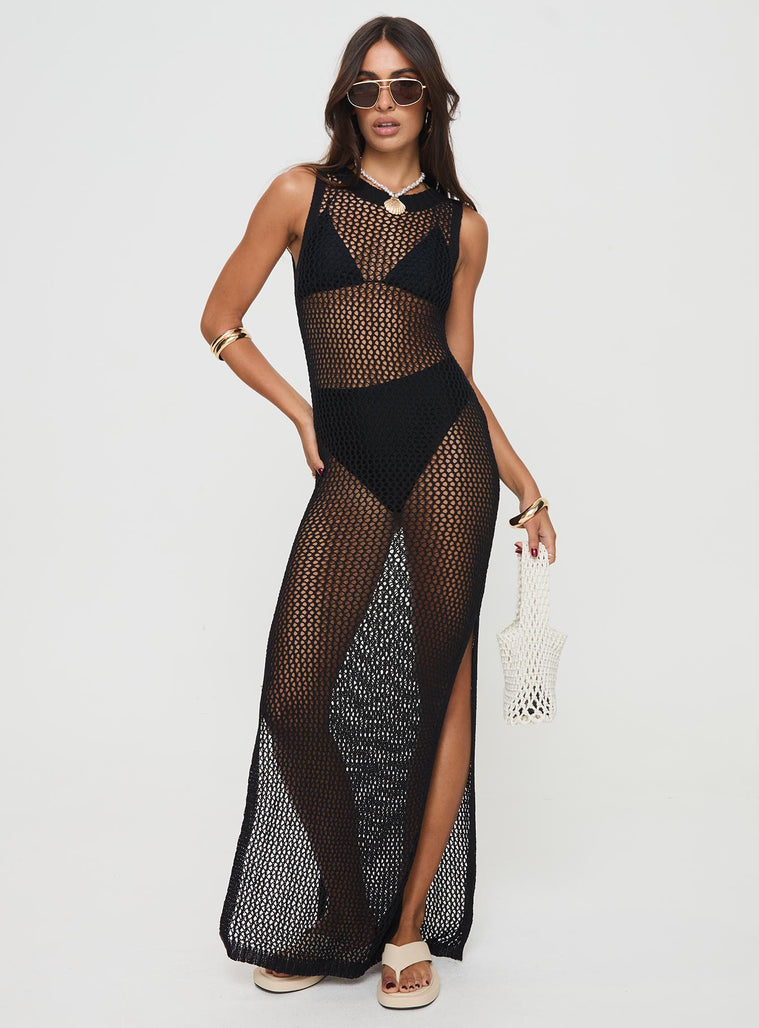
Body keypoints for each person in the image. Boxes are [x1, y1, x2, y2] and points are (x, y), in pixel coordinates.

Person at [200, 14, 557, 1011]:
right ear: (346, 101)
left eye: (405, 87)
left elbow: (458, 375)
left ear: (432, 102)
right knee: (294, 698)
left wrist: (526, 483)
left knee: (441, 690)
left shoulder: (462, 226)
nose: (387, 103)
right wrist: (299, 412)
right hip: (351, 466)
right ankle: (346, 912)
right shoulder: (299, 194)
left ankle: (406, 931)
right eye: (369, 87)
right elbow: (219, 320)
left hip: (448, 459)